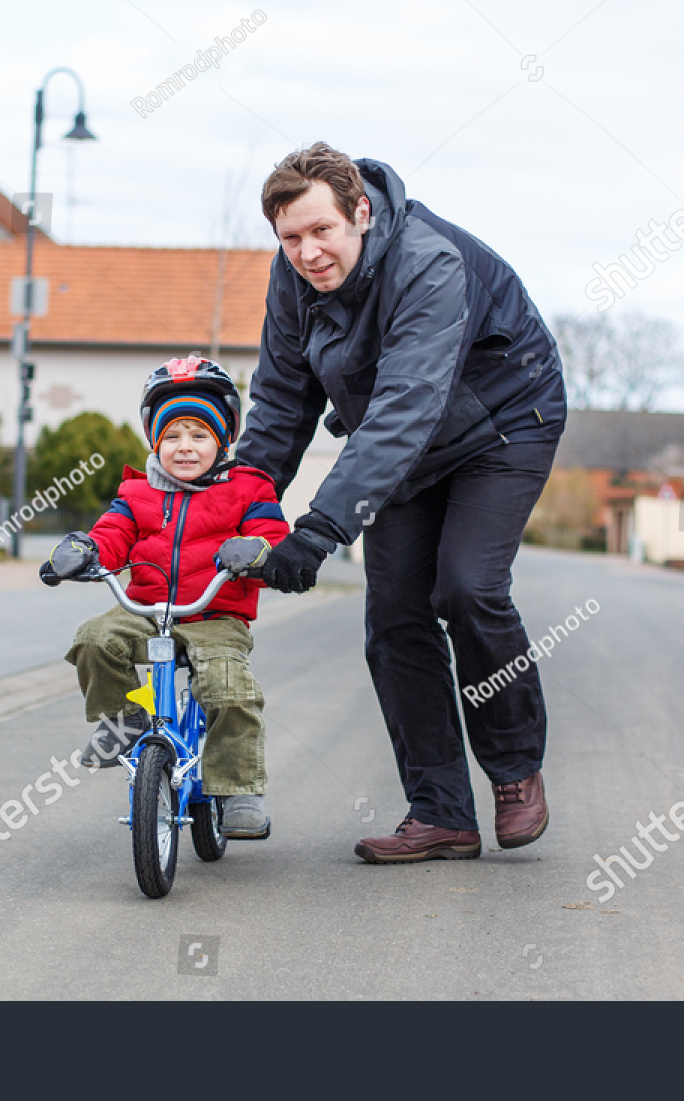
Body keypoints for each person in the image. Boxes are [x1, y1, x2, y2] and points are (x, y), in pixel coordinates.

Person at [236, 142, 567, 863]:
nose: (308, 252)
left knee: (467, 585)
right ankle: (441, 812)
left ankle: (514, 771)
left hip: (502, 423)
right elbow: (283, 401)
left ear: (360, 212)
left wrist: (318, 529)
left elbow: (404, 407)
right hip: (405, 440)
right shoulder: (291, 282)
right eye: (290, 237)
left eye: (321, 231)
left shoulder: (427, 261)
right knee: (393, 615)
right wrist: (236, 503)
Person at [41, 356, 289, 840]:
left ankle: (237, 787)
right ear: (156, 441)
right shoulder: (136, 493)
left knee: (227, 685)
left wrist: (257, 551)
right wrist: (86, 551)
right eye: (172, 436)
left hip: (214, 613)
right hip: (148, 610)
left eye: (199, 435)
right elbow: (112, 534)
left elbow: (271, 537)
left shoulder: (249, 488)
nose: (185, 448)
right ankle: (123, 721)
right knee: (95, 639)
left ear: (222, 440)